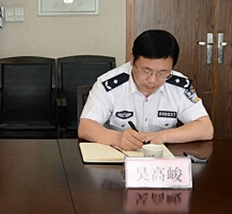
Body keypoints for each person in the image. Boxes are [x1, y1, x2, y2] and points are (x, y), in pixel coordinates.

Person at [78, 29, 213, 150]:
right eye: (146, 70)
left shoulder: (179, 86)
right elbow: (85, 127)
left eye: (163, 72)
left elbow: (205, 128)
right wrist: (117, 138)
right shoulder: (109, 84)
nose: (152, 80)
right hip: (118, 157)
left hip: (162, 160)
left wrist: (161, 136)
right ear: (132, 60)